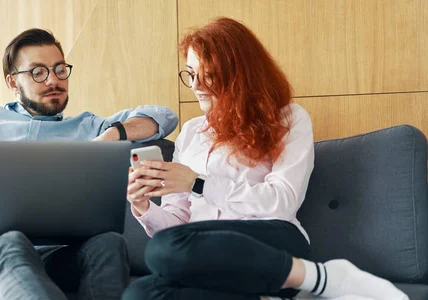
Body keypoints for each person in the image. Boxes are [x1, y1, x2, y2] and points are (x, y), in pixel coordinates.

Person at [123, 17, 408, 300]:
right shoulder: (191, 133)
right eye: (190, 73)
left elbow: (282, 202)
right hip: (207, 251)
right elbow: (178, 225)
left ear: (238, 74)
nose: (196, 85)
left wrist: (198, 184)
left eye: (208, 75)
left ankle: (321, 278)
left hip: (270, 239)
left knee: (163, 249)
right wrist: (143, 205)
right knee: (139, 292)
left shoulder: (288, 119)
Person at [0, 28, 178, 300]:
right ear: (13, 82)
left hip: (52, 255)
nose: (53, 80)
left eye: (60, 69)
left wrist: (112, 134)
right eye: (38, 72)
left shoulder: (88, 127)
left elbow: (164, 117)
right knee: (11, 244)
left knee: (108, 243)